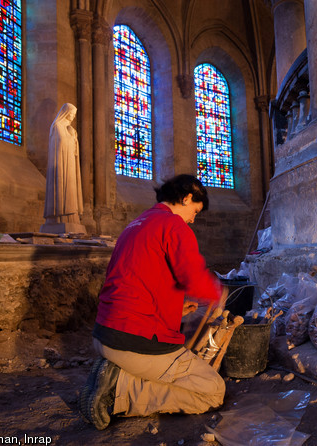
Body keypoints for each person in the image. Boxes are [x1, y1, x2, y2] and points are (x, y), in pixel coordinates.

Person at [79, 174, 228, 430]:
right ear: (187, 197)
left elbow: (137, 281)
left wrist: (173, 307)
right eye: (195, 210)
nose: (193, 219)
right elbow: (194, 279)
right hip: (134, 340)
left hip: (105, 334)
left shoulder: (137, 224)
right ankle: (117, 393)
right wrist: (219, 293)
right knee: (213, 390)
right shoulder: (174, 225)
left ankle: (116, 372)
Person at [41, 103, 84, 232]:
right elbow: (60, 144)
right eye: (72, 113)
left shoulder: (70, 129)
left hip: (70, 164)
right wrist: (71, 137)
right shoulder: (57, 126)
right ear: (66, 112)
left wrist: (73, 137)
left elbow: (73, 148)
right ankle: (60, 216)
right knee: (62, 190)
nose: (73, 116)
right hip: (61, 165)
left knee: (71, 189)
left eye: (74, 115)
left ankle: (71, 216)